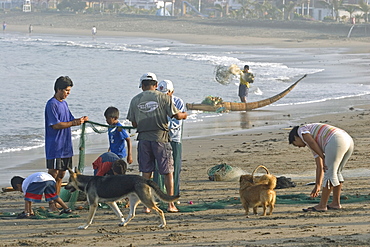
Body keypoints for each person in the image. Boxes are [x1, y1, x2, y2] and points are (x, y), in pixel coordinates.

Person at [127, 72, 187, 213]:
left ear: (142, 86)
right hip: (161, 139)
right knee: (168, 172)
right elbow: (177, 115)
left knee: (146, 173)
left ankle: (147, 205)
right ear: (155, 85)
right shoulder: (164, 98)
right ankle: (170, 204)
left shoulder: (135, 100)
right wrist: (185, 114)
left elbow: (134, 122)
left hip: (143, 140)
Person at [45, 76, 88, 211]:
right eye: (66, 91)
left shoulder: (64, 104)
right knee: (53, 174)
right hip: (55, 146)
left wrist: (79, 120)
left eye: (69, 91)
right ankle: (51, 203)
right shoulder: (51, 104)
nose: (68, 93)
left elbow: (69, 119)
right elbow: (56, 125)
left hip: (66, 146)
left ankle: (57, 200)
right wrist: (74, 123)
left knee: (62, 174)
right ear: (59, 89)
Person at [288, 123, 354, 212]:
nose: (299, 147)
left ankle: (322, 205)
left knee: (330, 173)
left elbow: (311, 142)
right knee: (336, 172)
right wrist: (317, 185)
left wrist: (323, 157)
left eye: (295, 144)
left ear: (295, 137)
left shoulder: (301, 130)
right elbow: (320, 166)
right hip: (347, 139)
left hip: (335, 139)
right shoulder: (316, 144)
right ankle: (335, 203)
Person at [154, 80, 185, 196]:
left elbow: (177, 122)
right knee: (158, 168)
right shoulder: (155, 102)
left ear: (171, 92)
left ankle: (174, 195)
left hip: (174, 139)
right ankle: (158, 195)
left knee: (175, 168)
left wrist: (162, 126)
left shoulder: (178, 102)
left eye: (166, 93)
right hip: (159, 139)